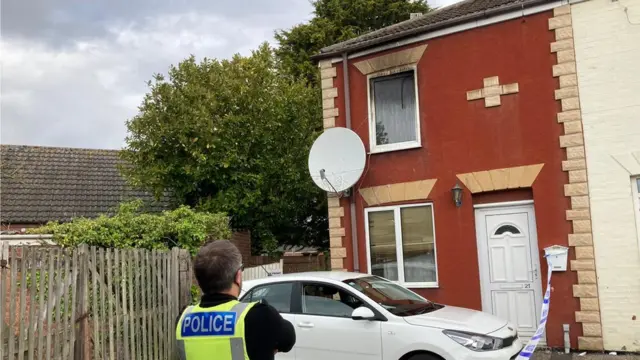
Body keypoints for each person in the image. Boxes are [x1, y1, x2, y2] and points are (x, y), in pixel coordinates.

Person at [175, 240, 296, 360]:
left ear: (200, 281)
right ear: (238, 276)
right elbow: (289, 339)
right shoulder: (259, 316)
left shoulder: (183, 318)